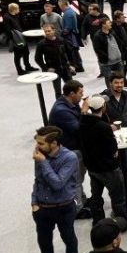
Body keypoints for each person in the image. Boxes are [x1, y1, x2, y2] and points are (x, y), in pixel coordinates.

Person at [31, 126, 82, 253]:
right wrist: (34, 202)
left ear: (53, 143)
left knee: (69, 238)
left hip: (64, 207)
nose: (37, 146)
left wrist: (43, 162)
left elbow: (58, 183)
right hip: (42, 208)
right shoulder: (41, 154)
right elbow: (38, 180)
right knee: (44, 241)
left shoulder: (69, 158)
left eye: (41, 143)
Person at [81, 95, 127, 226]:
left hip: (92, 168)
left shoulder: (82, 122)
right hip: (108, 168)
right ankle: (122, 222)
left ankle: (98, 221)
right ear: (103, 107)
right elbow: (113, 150)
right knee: (118, 196)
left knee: (96, 196)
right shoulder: (103, 127)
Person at [49, 80, 89, 217]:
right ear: (71, 93)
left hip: (75, 147)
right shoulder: (61, 111)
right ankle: (77, 209)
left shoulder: (71, 104)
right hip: (70, 151)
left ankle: (82, 200)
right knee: (74, 180)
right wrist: (84, 112)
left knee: (78, 178)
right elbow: (78, 129)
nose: (82, 95)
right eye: (80, 93)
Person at [103, 73, 127, 187]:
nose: (119, 85)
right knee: (120, 157)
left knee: (124, 157)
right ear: (110, 84)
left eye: (121, 82)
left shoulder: (126, 94)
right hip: (112, 134)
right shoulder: (103, 98)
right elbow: (100, 116)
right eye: (116, 83)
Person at [34, 24, 73, 99]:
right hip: (54, 70)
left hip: (65, 68)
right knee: (58, 91)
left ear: (54, 30)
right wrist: (46, 68)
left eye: (49, 31)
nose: (47, 33)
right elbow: (37, 58)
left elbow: (69, 53)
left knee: (71, 88)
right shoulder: (41, 44)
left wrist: (72, 64)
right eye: (45, 31)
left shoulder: (61, 40)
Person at [90, 16, 123, 89]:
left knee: (120, 78)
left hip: (118, 61)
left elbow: (119, 43)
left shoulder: (112, 32)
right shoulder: (98, 36)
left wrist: (120, 54)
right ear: (103, 25)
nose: (110, 24)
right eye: (108, 23)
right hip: (106, 63)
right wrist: (107, 57)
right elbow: (98, 49)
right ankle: (111, 93)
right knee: (109, 79)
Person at [4, 3, 35, 76]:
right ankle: (19, 70)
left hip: (22, 36)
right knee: (17, 55)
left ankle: (28, 66)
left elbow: (22, 24)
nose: (19, 10)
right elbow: (8, 30)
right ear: (13, 9)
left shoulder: (17, 15)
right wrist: (13, 39)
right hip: (16, 39)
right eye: (18, 8)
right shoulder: (7, 17)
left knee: (26, 52)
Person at [111, 10, 127, 85]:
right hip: (120, 50)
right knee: (121, 65)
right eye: (122, 17)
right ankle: (123, 80)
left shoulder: (125, 25)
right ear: (117, 19)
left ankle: (123, 76)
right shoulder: (112, 27)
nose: (124, 19)